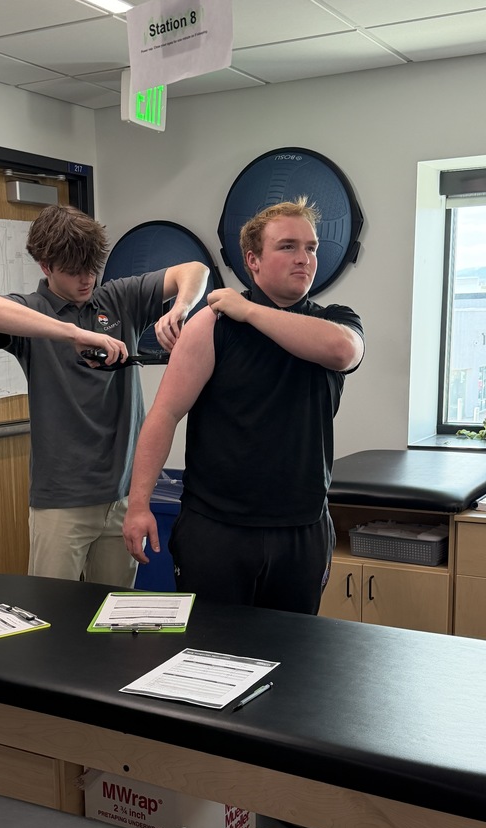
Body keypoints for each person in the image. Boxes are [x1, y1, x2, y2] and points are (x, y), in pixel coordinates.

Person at [122, 198, 364, 614]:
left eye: (311, 247)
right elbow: (164, 414)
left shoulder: (335, 321)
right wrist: (139, 503)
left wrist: (249, 310)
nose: (304, 258)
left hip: (301, 529)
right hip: (218, 529)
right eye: (287, 246)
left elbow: (343, 352)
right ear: (252, 260)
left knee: (294, 659)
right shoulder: (214, 325)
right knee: (211, 658)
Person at [0, 204, 209, 586]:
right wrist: (74, 333)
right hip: (60, 502)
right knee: (53, 620)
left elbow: (195, 271)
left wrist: (179, 309)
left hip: (124, 497)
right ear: (46, 266)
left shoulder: (118, 299)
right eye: (74, 271)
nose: (87, 280)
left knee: (113, 621)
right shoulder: (33, 313)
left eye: (92, 269)